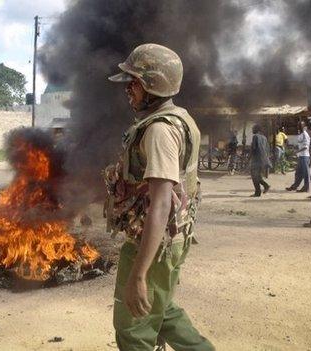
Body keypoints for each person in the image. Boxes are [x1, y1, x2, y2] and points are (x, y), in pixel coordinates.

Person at [104, 43, 214, 351]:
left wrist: (139, 273)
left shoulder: (159, 131)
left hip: (153, 244)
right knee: (160, 310)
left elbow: (162, 203)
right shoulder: (180, 117)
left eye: (134, 83)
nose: (128, 90)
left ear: (153, 86)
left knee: (132, 329)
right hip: (170, 241)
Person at [286, 121, 310, 192]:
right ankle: (295, 186)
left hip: (305, 156)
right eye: (298, 125)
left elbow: (306, 146)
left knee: (305, 173)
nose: (298, 127)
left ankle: (306, 187)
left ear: (304, 126)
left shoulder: (305, 134)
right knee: (298, 172)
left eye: (300, 125)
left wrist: (297, 151)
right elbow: (300, 145)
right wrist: (295, 149)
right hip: (301, 156)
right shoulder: (300, 134)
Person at [250, 124, 271, 197]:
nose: (252, 130)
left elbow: (254, 148)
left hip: (257, 160)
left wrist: (250, 158)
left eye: (253, 128)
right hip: (264, 160)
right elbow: (267, 149)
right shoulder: (264, 137)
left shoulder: (255, 136)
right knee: (257, 176)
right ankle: (265, 186)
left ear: (257, 129)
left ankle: (258, 192)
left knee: (254, 176)